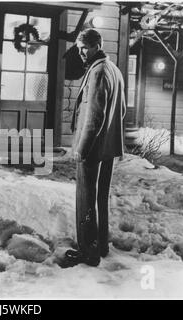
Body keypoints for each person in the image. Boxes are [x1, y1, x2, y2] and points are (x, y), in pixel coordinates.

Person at [60, 29, 126, 268]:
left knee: (86, 200)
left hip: (93, 149)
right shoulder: (114, 70)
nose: (81, 53)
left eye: (85, 48)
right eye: (78, 49)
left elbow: (94, 117)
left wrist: (82, 148)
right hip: (107, 148)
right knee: (100, 198)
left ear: (98, 45)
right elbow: (122, 110)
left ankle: (89, 251)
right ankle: (101, 245)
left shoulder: (98, 72)